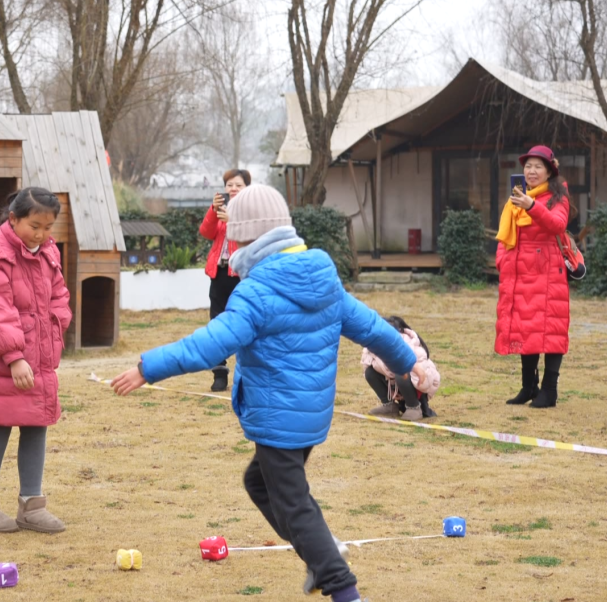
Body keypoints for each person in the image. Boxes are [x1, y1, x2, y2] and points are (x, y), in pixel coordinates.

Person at [111, 185, 420, 602]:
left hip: (277, 419)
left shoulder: (256, 293)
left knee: (293, 502)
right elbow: (373, 328)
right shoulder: (322, 279)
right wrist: (405, 361)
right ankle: (317, 553)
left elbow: (210, 345)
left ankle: (341, 585)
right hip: (309, 417)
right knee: (259, 483)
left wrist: (146, 368)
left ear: (243, 237)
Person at [0, 187, 71, 534]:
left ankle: (32, 506)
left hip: (39, 359)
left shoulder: (49, 253)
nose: (42, 234)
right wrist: (14, 357)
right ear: (14, 218)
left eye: (49, 228)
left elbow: (59, 295)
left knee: (37, 426)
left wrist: (56, 327)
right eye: (34, 226)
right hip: (1, 361)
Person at [495, 145, 574, 409]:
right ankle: (529, 386)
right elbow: (506, 233)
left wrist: (531, 206)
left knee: (551, 330)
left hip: (548, 273)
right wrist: (501, 260)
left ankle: (549, 390)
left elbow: (557, 225)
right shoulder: (517, 197)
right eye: (527, 166)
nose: (531, 171)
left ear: (550, 170)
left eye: (537, 166)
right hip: (520, 273)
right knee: (525, 329)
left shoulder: (557, 196)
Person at [198, 168, 250, 391]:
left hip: (242, 276)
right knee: (217, 324)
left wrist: (233, 220)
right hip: (219, 275)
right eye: (230, 185)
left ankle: (247, 375)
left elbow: (252, 237)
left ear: (247, 187)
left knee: (245, 324)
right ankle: (219, 374)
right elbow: (206, 232)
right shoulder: (220, 210)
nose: (234, 189)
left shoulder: (251, 210)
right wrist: (213, 210)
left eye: (238, 185)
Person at [362, 315, 440, 420]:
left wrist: (406, 393)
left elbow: (425, 380)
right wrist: (394, 391)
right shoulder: (373, 346)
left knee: (401, 371)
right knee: (370, 372)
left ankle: (414, 408)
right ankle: (389, 406)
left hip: (418, 388)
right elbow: (367, 365)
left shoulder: (412, 348)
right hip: (397, 386)